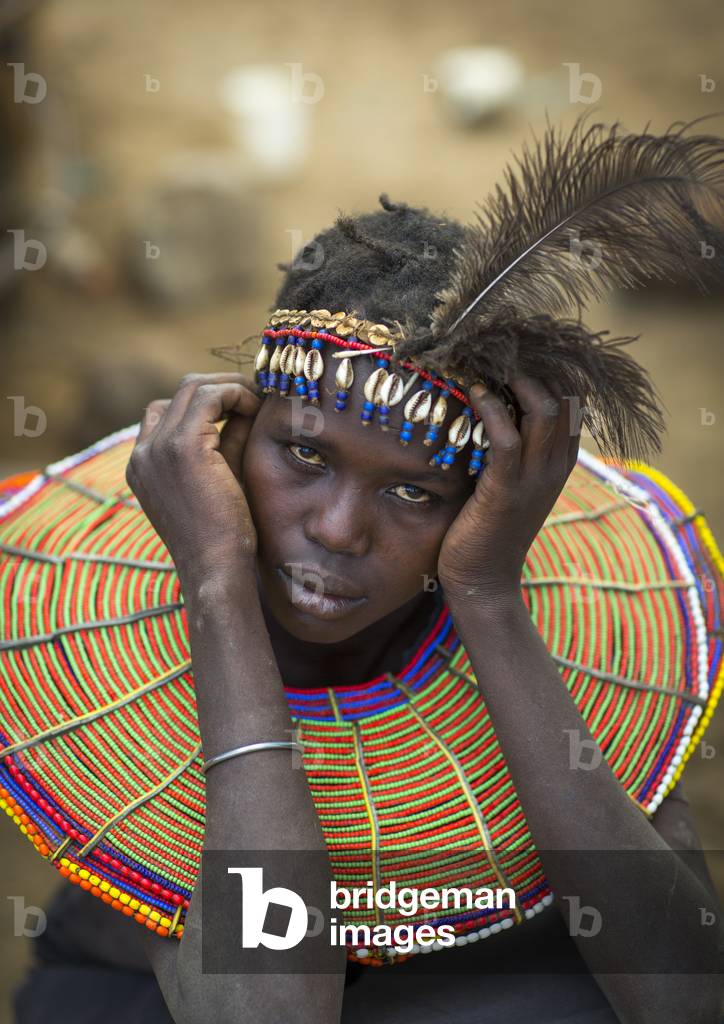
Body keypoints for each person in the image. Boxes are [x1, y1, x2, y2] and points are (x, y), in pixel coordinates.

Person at [5, 116, 724, 1023]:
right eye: (303, 457)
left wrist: (490, 598)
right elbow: (272, 1010)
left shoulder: (571, 642)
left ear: (486, 508)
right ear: (234, 435)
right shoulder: (113, 674)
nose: (340, 531)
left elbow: (689, 996)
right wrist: (218, 583)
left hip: (445, 962)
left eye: (416, 493)